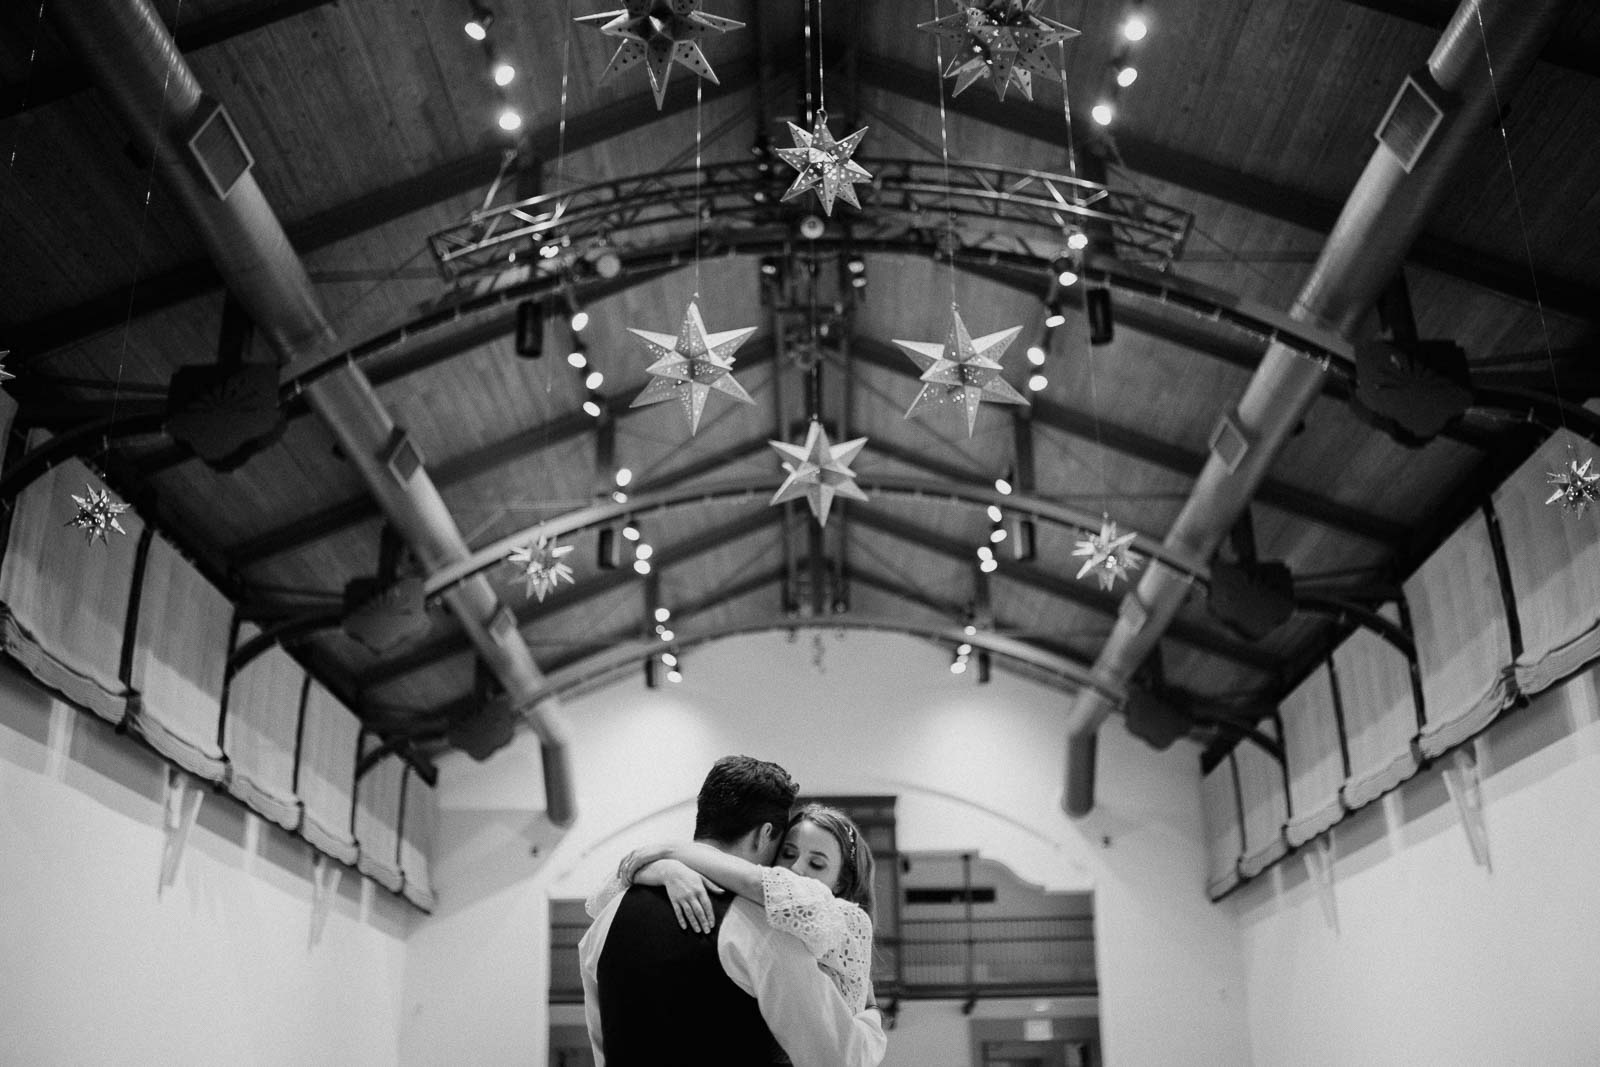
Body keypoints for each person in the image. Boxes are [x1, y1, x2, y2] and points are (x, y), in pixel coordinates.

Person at [578, 756, 887, 1067]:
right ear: (764, 834)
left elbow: (602, 1045)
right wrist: (872, 1017)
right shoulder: (764, 927)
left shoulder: (605, 920)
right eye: (785, 850)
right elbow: (838, 1059)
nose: (791, 869)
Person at [595, 803, 877, 1013]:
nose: (797, 868)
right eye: (788, 854)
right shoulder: (767, 908)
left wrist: (670, 853)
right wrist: (666, 871)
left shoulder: (849, 919)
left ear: (841, 882)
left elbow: (755, 882)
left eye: (817, 864)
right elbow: (606, 893)